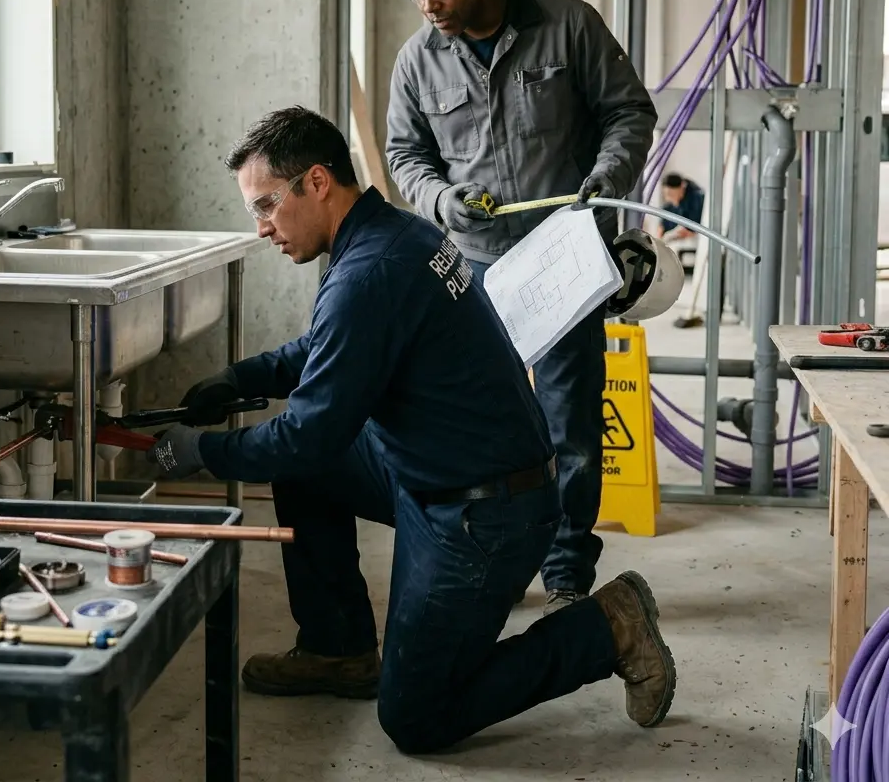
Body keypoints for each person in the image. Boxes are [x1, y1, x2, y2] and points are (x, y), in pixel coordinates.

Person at [145, 106, 676, 755]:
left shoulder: (369, 273)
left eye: (266, 205)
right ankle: (337, 650)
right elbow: (329, 347)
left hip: (482, 516)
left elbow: (309, 434)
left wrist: (201, 453)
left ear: (317, 182)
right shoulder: (396, 235)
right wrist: (238, 377)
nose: (261, 229)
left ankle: (607, 628)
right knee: (309, 475)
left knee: (417, 716)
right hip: (445, 470)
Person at [385, 0, 658, 615]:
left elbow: (629, 113)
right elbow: (405, 155)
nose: (429, 5)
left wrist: (609, 173)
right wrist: (442, 199)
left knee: (568, 417)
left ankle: (567, 569)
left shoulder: (566, 25)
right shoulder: (419, 60)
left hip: (563, 256)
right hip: (474, 269)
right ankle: (496, 560)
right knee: (481, 421)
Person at [658, 172, 705, 239]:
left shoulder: (696, 199)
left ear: (682, 187)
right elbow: (661, 230)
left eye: (671, 194)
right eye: (666, 195)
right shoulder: (668, 207)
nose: (668, 198)